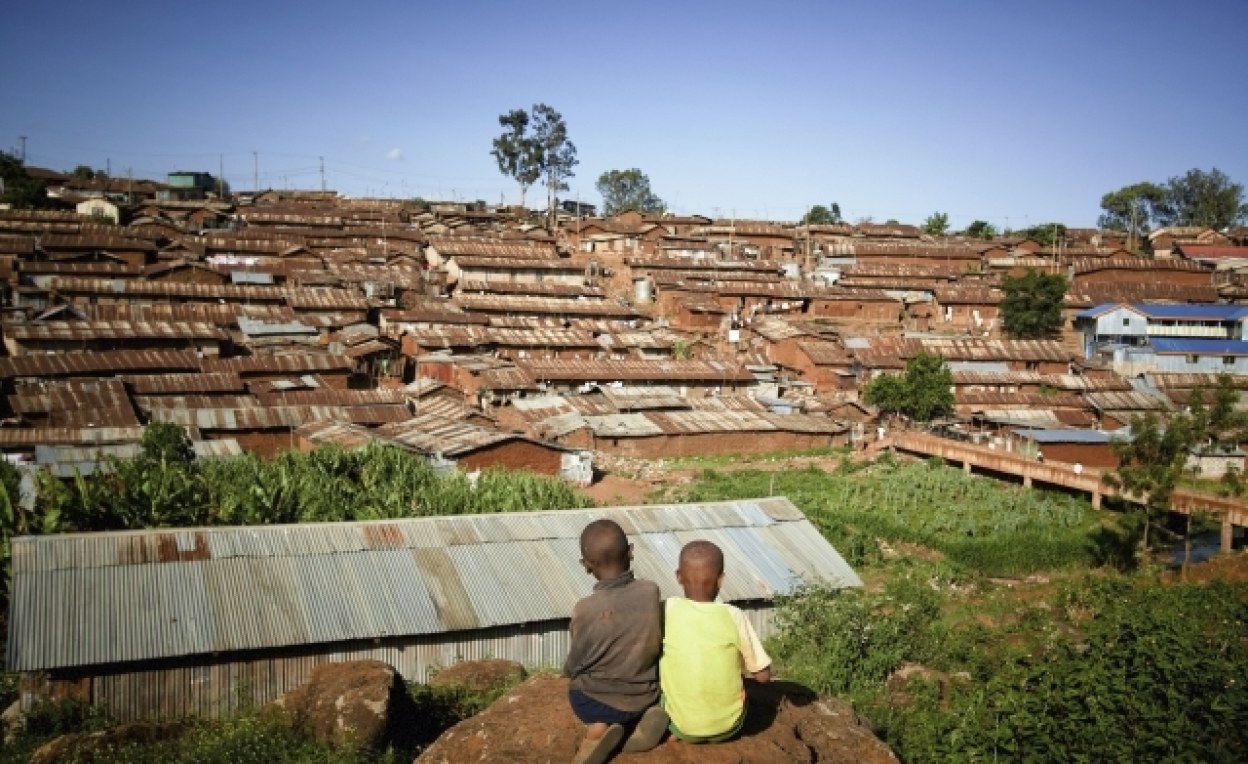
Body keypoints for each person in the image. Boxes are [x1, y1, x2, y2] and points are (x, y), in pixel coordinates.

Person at [564, 519, 667, 764]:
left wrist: (568, 672)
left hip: (594, 702)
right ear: (630, 552)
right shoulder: (650, 591)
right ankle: (638, 725)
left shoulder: (584, 609)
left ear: (586, 565)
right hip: (646, 694)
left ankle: (597, 732)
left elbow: (575, 664)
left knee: (576, 686)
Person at [659, 540, 772, 743]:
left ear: (678, 577)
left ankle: (675, 729)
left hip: (682, 726)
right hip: (730, 727)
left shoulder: (666, 609)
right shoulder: (734, 615)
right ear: (721, 580)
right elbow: (762, 677)